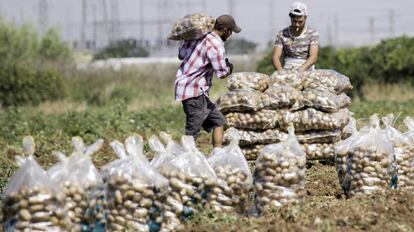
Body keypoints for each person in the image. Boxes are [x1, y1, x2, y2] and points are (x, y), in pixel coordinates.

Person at [175, 14, 241, 148]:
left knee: (219, 122)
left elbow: (181, 55)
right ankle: (184, 159)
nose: (230, 35)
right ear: (225, 30)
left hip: (191, 90)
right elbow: (222, 73)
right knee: (192, 131)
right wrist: (229, 67)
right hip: (194, 91)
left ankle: (217, 154)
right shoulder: (216, 45)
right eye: (231, 32)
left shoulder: (198, 37)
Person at [272, 2, 319, 71]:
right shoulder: (282, 34)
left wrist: (300, 70)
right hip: (288, 69)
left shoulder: (312, 33)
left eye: (300, 22)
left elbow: (313, 57)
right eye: (294, 21)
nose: (297, 24)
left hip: (306, 70)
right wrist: (281, 72)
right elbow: (275, 57)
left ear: (305, 18)